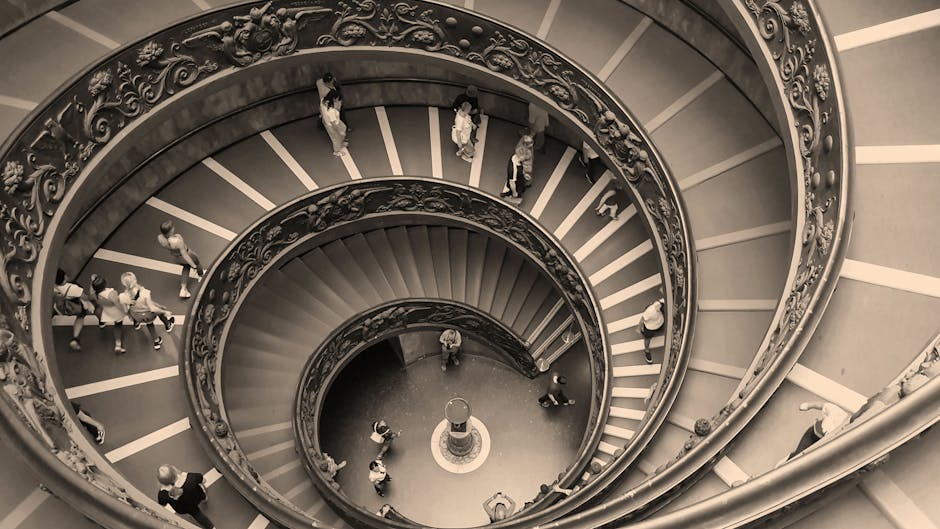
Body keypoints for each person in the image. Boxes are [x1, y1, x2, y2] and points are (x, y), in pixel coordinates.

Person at [119, 272, 175, 350]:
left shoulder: (122, 296)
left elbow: (126, 310)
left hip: (137, 316)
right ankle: (168, 325)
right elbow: (152, 308)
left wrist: (131, 317)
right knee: (157, 313)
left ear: (124, 284)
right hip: (148, 315)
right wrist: (164, 312)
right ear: (135, 280)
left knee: (142, 317)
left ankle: (138, 325)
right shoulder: (145, 292)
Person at [157, 465, 214, 529]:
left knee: (197, 514)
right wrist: (184, 474)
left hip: (184, 508)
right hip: (197, 495)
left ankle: (211, 527)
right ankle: (204, 498)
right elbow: (204, 480)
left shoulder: (162, 494)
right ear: (175, 472)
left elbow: (163, 504)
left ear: (161, 482)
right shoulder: (190, 477)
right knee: (201, 493)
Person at [157, 221, 204, 299]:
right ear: (171, 230)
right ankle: (201, 275)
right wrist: (194, 266)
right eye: (172, 227)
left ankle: (183, 289)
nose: (174, 228)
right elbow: (185, 255)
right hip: (187, 254)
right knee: (197, 263)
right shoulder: (178, 240)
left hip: (176, 257)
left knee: (186, 268)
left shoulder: (160, 238)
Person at [53, 268, 96, 352]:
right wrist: (92, 283)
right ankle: (75, 338)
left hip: (61, 306)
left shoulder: (53, 286)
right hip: (74, 306)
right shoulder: (73, 288)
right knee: (81, 316)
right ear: (65, 276)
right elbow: (86, 297)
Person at [88, 274, 127, 354]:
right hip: (116, 312)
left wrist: (92, 282)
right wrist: (125, 311)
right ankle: (118, 345)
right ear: (105, 284)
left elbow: (91, 293)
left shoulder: (94, 295)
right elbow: (118, 304)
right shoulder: (112, 293)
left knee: (102, 314)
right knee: (118, 326)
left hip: (106, 311)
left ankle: (102, 323)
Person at [637, 295, 665, 364]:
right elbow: (642, 320)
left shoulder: (662, 303)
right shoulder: (650, 311)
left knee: (660, 329)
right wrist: (639, 328)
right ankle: (647, 350)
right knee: (647, 339)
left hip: (659, 323)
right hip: (650, 328)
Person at [321, 89, 348, 157]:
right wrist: (339, 130)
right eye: (338, 100)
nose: (339, 101)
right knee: (336, 138)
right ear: (334, 99)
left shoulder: (323, 100)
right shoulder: (332, 111)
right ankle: (336, 151)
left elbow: (321, 109)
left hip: (327, 120)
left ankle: (341, 142)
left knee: (344, 128)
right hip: (331, 124)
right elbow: (333, 122)